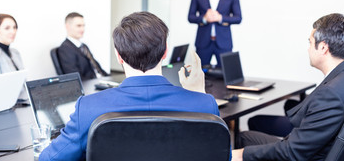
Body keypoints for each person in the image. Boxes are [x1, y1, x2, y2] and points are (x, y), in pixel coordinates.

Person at [40, 11, 220, 161]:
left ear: (119, 56)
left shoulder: (87, 108)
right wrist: (199, 96)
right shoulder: (205, 105)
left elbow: (48, 158)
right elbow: (220, 156)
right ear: (165, 51)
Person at [232, 13, 344, 161]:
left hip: (310, 155)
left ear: (323, 47)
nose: (308, 49)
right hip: (322, 146)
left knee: (244, 138)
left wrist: (241, 154)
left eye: (310, 42)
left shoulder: (331, 95)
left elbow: (293, 152)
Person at [188, 0, 242, 67]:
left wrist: (221, 18)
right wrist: (204, 18)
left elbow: (238, 17)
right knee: (200, 77)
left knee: (227, 77)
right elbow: (190, 16)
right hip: (203, 42)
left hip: (224, 43)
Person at [57, 12, 108, 81]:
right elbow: (76, 78)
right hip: (91, 85)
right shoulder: (65, 49)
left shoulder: (84, 46)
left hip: (101, 80)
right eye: (79, 26)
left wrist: (109, 78)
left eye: (83, 26)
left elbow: (97, 68)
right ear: (67, 27)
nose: (82, 29)